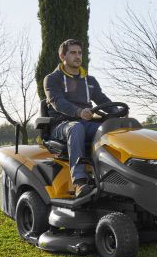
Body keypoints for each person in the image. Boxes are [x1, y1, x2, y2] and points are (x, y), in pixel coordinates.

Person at [43, 39, 112, 197]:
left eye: (80, 53)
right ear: (62, 56)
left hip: (85, 123)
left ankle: (113, 176)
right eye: (73, 53)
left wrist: (118, 111)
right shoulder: (52, 79)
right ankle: (80, 182)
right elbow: (58, 102)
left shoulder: (90, 80)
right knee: (76, 127)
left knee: (111, 129)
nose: (78, 56)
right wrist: (79, 112)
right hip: (62, 125)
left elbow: (102, 100)